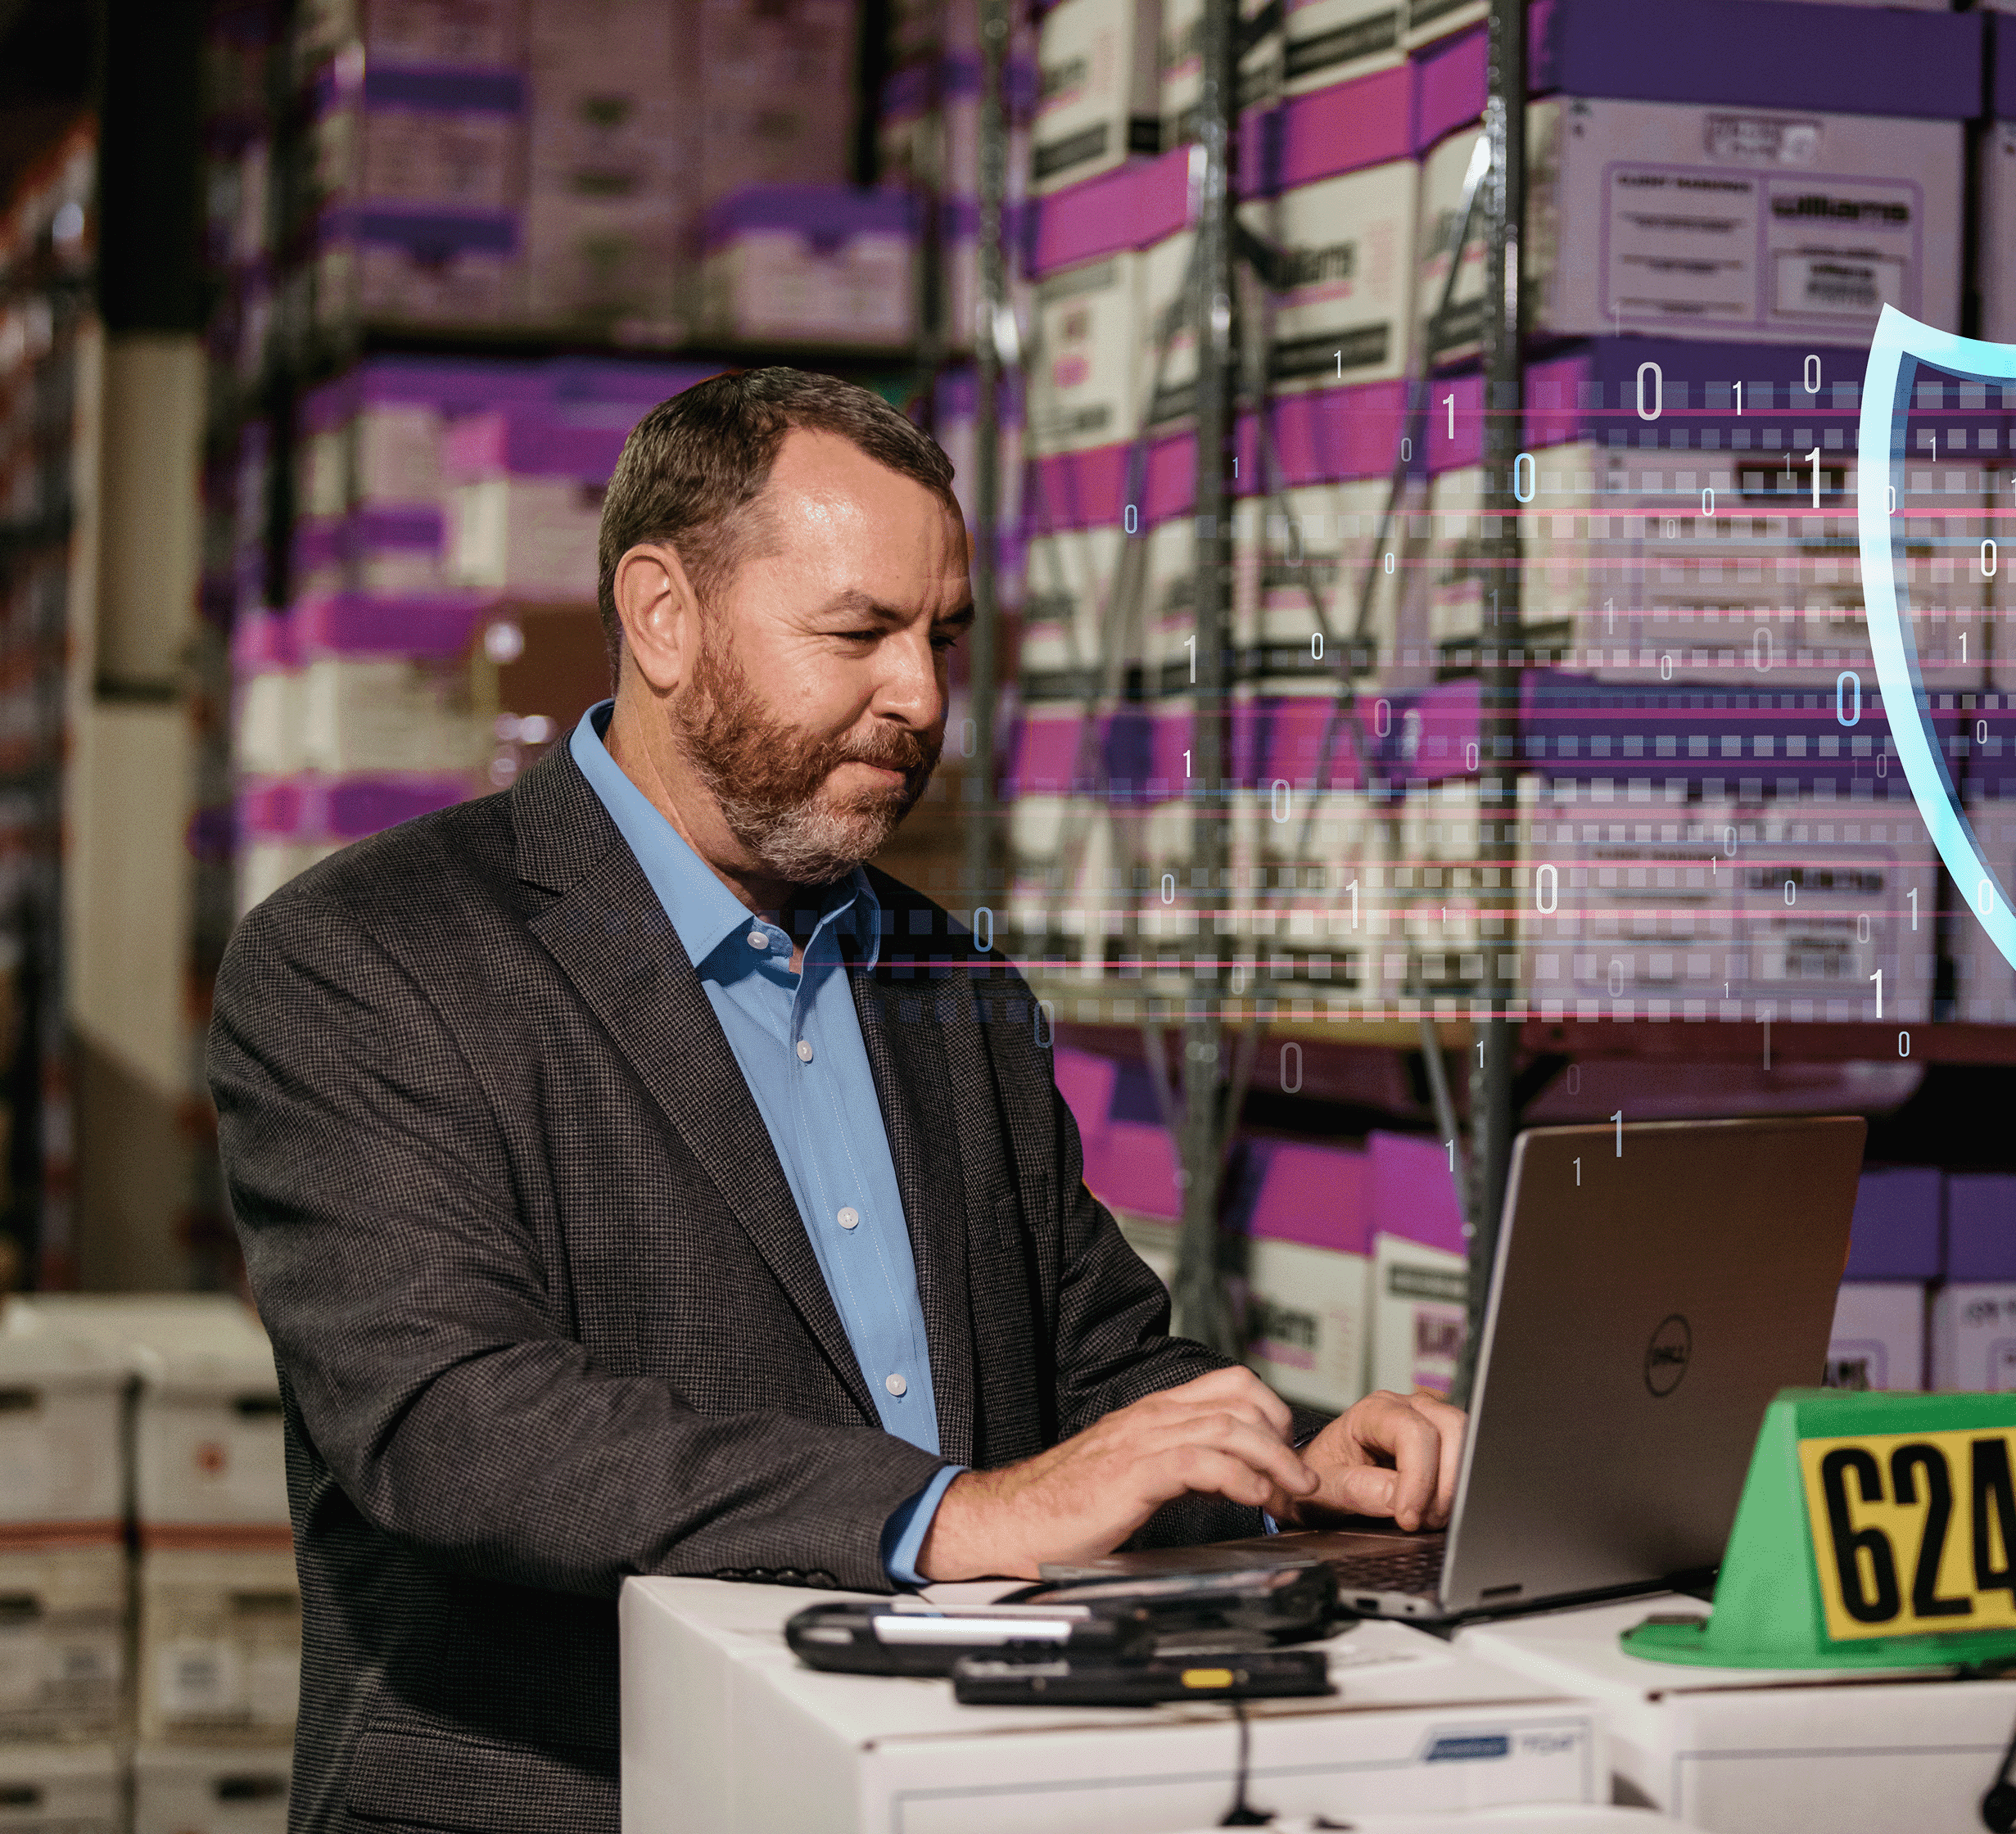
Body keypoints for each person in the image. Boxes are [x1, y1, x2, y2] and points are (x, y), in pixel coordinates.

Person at [210, 368, 1467, 1834]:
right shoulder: (368, 958)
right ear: (664, 614)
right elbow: (454, 1421)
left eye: (941, 638)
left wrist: (1286, 1471)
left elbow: (1091, 1356)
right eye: (860, 632)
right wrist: (955, 1516)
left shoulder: (953, 983)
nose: (922, 696)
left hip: (929, 1786)